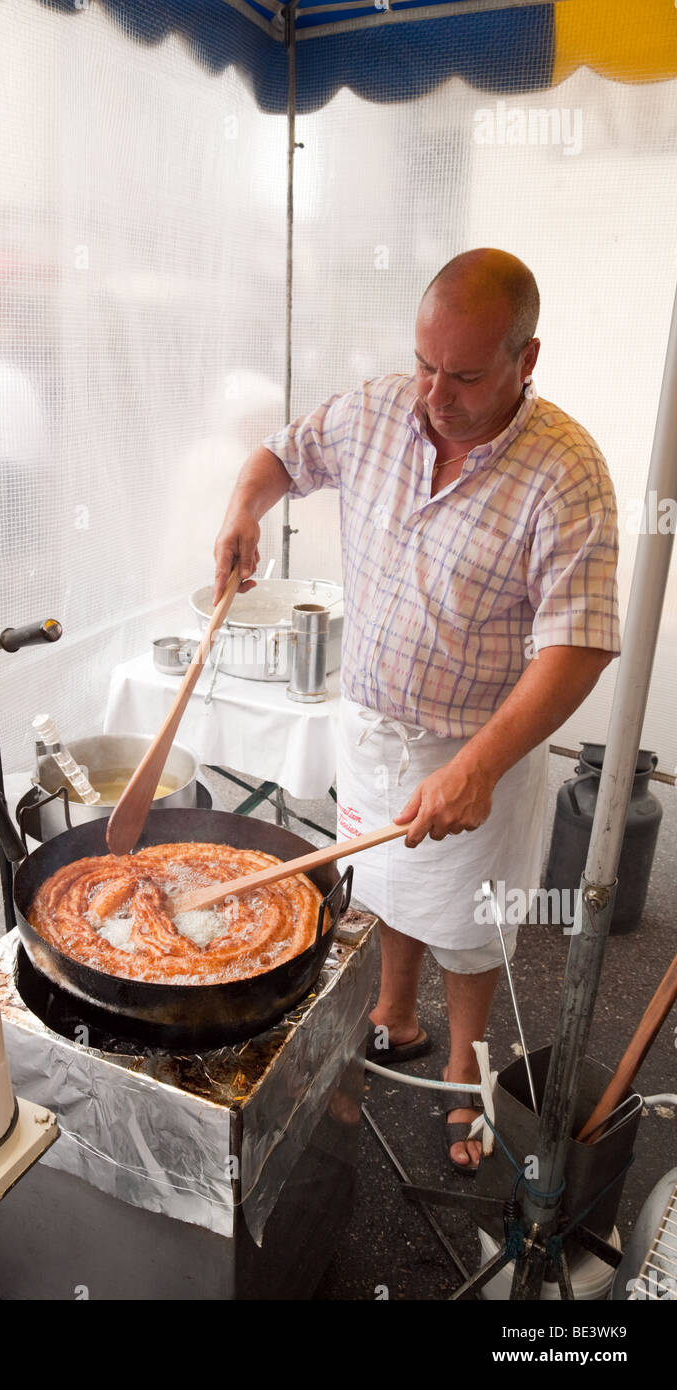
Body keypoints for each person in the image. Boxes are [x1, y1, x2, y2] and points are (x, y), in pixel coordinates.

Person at [212, 249, 620, 1172]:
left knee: (471, 928)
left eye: (466, 375)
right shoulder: (376, 409)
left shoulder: (566, 472)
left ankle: (468, 1080)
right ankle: (395, 1017)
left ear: (528, 359)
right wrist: (244, 506)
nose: (435, 393)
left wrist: (478, 765)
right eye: (427, 364)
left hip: (482, 744)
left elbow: (580, 643)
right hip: (372, 726)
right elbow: (283, 453)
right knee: (384, 884)